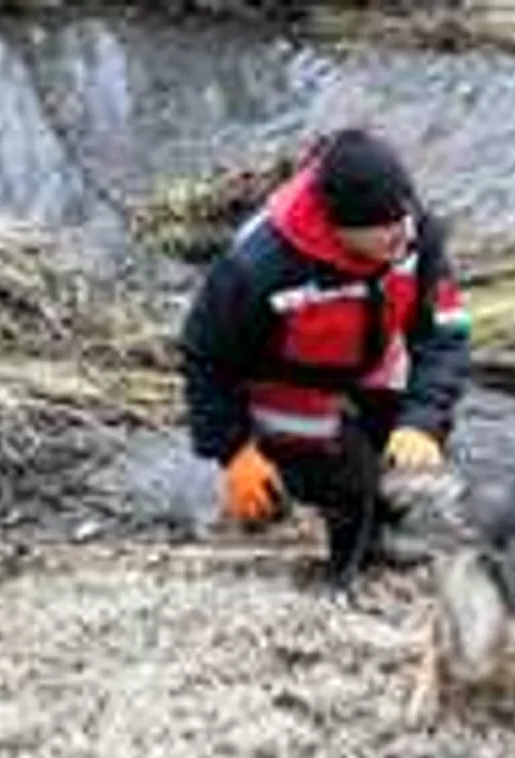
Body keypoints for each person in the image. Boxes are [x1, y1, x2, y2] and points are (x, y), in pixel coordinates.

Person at [177, 127, 471, 596]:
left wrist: (422, 421)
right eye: (386, 230)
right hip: (285, 384)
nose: (402, 237)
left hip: (368, 361)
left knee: (408, 462)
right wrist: (233, 451)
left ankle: (384, 528)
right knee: (346, 482)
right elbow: (205, 356)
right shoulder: (260, 264)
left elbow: (444, 334)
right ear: (339, 227)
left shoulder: (414, 234)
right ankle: (346, 559)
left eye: (405, 220)